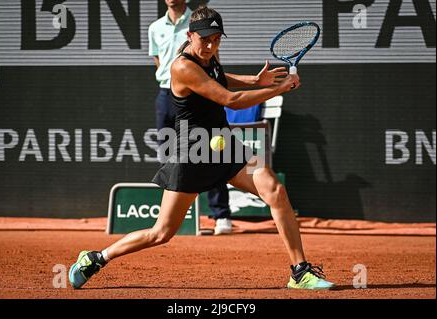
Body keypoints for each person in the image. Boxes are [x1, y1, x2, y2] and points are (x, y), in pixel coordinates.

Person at [68, 6, 335, 290]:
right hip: (192, 151)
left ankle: (300, 271)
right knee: (162, 233)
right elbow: (229, 99)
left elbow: (220, 77)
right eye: (205, 39)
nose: (210, 45)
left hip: (224, 144)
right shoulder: (181, 66)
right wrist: (277, 89)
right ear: (190, 35)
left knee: (275, 191)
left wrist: (256, 80)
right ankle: (96, 258)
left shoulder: (210, 54)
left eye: (216, 39)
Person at [148, 0, 233, 235]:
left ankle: (220, 214)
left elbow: (211, 63)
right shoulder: (155, 28)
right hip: (168, 93)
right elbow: (159, 62)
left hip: (199, 93)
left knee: (213, 152)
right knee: (169, 153)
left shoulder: (199, 23)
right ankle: (175, 213)